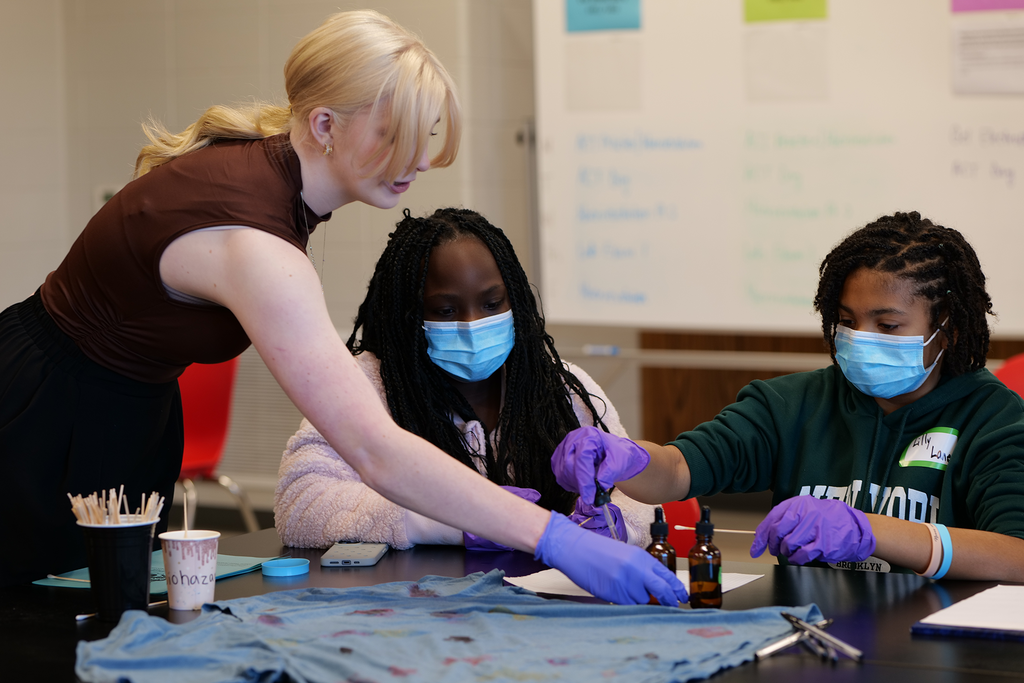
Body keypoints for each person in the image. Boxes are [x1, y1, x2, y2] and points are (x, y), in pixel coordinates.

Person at [0, 11, 687, 604]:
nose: (416, 158)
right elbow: (375, 449)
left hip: (117, 413)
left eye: (425, 133)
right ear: (324, 124)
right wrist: (556, 536)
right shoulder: (261, 247)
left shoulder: (273, 172)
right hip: (46, 420)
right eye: (395, 135)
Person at [552, 211, 1024, 581]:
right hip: (815, 629)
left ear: (948, 331)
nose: (860, 338)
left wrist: (868, 532)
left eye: (887, 325)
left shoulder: (995, 419)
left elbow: (1016, 555)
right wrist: (627, 458)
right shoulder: (793, 404)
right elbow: (678, 470)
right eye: (847, 319)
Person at [275, 208, 655, 550]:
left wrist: (618, 525)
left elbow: (642, 495)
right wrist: (456, 520)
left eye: (492, 304)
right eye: (445, 310)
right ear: (409, 316)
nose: (473, 324)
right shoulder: (364, 384)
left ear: (516, 301)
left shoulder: (562, 388)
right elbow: (300, 504)